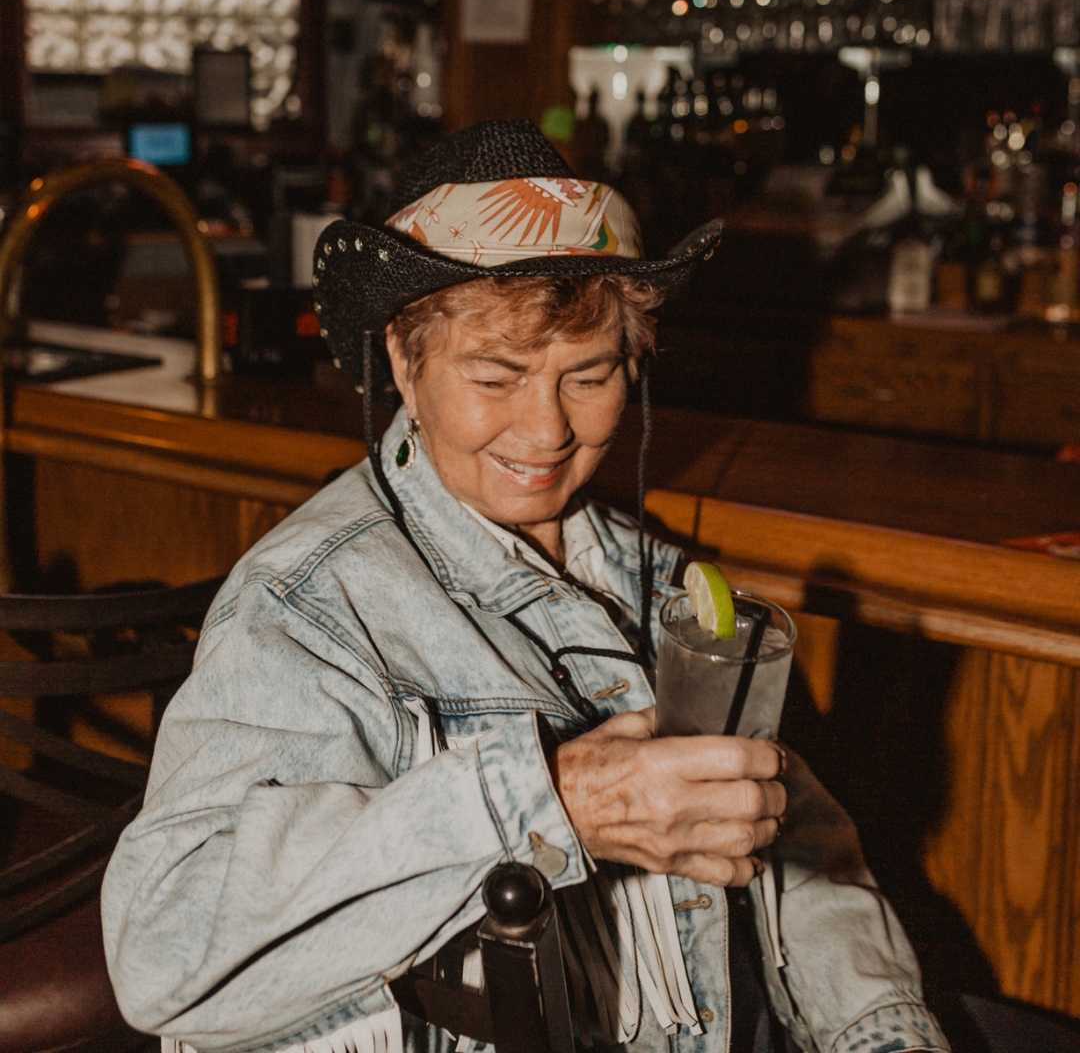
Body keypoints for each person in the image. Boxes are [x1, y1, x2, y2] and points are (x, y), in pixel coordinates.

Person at [102, 121, 949, 1053]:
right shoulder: (310, 609)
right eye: (495, 376)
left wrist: (883, 1034)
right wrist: (549, 803)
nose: (546, 430)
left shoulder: (661, 582)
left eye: (588, 375)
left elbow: (797, 844)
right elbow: (161, 953)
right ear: (404, 364)